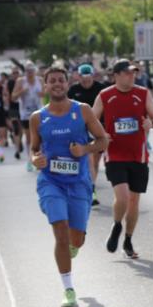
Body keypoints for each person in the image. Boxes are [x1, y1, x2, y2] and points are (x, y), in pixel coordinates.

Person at [29, 64, 109, 307]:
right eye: (51, 80)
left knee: (77, 238)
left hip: (79, 184)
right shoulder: (38, 117)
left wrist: (84, 149)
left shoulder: (82, 111)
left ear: (67, 83)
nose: (56, 84)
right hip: (51, 182)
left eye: (60, 80)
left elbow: (103, 139)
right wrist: (35, 160)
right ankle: (68, 288)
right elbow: (34, 149)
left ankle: (73, 247)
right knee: (60, 232)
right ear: (46, 86)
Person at [92, 59, 153, 259]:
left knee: (133, 201)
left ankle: (128, 240)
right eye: (128, 73)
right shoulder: (105, 95)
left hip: (138, 156)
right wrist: (101, 133)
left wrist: (151, 122)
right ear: (117, 75)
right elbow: (92, 119)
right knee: (122, 197)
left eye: (134, 73)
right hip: (115, 154)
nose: (132, 76)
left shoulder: (143, 93)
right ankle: (117, 225)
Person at [67, 64, 108, 203]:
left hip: (98, 128)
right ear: (78, 76)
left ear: (92, 75)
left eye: (88, 77)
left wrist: (105, 130)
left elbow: (108, 109)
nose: (86, 80)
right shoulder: (73, 90)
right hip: (80, 129)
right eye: (83, 77)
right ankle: (91, 190)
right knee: (89, 159)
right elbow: (67, 109)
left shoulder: (101, 88)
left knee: (95, 161)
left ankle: (91, 186)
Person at [13, 63, 44, 172]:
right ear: (25, 71)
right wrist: (22, 91)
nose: (29, 73)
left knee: (41, 136)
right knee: (29, 138)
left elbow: (46, 93)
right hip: (26, 113)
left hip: (40, 111)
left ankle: (40, 159)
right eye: (27, 70)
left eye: (31, 70)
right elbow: (13, 97)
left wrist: (42, 93)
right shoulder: (21, 81)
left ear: (34, 71)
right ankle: (30, 160)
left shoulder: (39, 80)